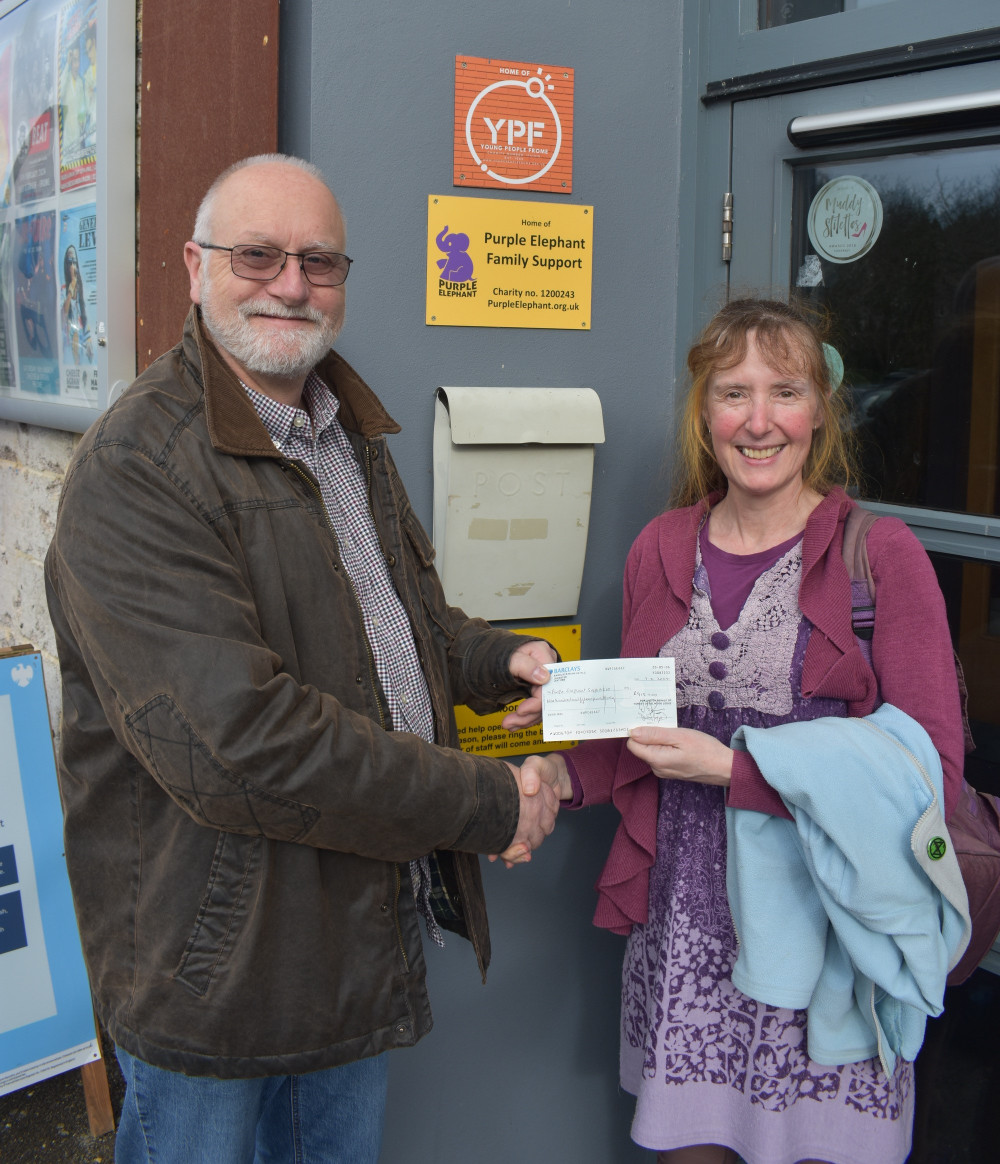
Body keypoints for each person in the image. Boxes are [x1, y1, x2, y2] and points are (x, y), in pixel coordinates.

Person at [44, 154, 559, 1164]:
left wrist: (501, 661)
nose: (290, 283)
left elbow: (394, 617)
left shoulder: (340, 429)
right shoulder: (136, 470)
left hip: (350, 941)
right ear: (195, 267)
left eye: (318, 260)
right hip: (216, 974)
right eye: (258, 255)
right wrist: (486, 803)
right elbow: (241, 742)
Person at [521, 298, 966, 1164]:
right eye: (733, 394)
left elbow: (930, 779)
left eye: (784, 391)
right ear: (705, 414)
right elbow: (635, 729)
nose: (758, 421)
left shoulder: (882, 555)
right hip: (687, 935)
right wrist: (551, 775)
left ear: (820, 412)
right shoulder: (661, 546)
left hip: (827, 936)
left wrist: (740, 774)